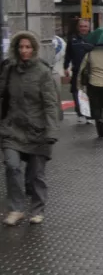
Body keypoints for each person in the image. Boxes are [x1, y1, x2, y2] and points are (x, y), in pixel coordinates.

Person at [1, 31, 61, 226]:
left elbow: (50, 104)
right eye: (20, 47)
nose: (24, 51)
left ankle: (37, 209)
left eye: (28, 47)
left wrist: (51, 131)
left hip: (38, 130)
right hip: (12, 129)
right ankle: (16, 209)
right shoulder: (9, 70)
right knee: (12, 166)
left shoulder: (43, 72)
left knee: (36, 175)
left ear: (34, 49)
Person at [63, 19, 93, 123]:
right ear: (78, 27)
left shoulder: (93, 39)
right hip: (76, 70)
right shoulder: (72, 40)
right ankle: (80, 113)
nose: (83, 28)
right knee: (76, 92)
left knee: (90, 92)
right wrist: (65, 67)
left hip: (90, 70)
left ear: (89, 27)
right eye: (81, 26)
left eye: (85, 26)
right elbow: (68, 55)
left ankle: (89, 115)